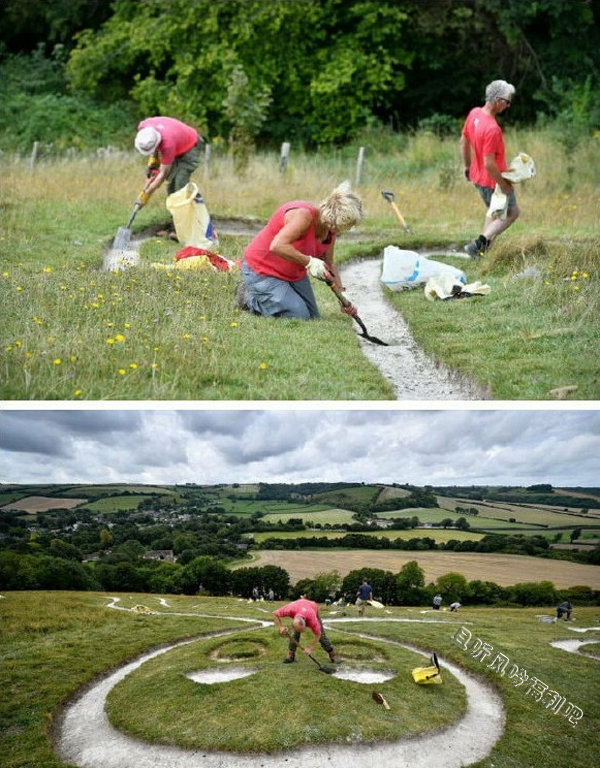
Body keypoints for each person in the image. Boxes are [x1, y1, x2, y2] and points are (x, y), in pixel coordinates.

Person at [237, 181, 363, 320]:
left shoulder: (330, 230)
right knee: (298, 315)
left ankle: (274, 297)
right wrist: (310, 262)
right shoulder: (303, 215)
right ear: (333, 217)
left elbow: (329, 263)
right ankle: (248, 298)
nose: (339, 231)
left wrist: (342, 295)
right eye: (340, 226)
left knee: (313, 317)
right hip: (261, 270)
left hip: (292, 274)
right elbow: (277, 246)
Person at [460, 80, 519, 259]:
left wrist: (467, 166)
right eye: (508, 102)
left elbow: (464, 141)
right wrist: (503, 184)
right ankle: (478, 244)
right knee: (512, 212)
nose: (508, 106)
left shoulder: (474, 114)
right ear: (499, 100)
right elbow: (489, 163)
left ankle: (482, 250)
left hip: (478, 177)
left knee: (493, 213)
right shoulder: (493, 129)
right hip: (492, 181)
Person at [134, 115, 203, 211]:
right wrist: (153, 162)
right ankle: (175, 216)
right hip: (177, 142)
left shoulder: (168, 145)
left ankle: (190, 213)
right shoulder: (143, 126)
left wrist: (146, 194)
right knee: (171, 186)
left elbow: (162, 174)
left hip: (190, 145)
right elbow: (156, 147)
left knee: (180, 183)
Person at [272, 596, 341, 664]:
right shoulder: (290, 609)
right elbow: (274, 613)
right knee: (295, 635)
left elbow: (318, 634)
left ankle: (332, 655)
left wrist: (310, 648)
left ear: (306, 624)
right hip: (299, 606)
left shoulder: (312, 619)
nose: (302, 632)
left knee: (322, 635)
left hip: (312, 607)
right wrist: (280, 627)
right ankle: (291, 655)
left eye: (302, 630)